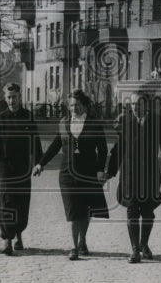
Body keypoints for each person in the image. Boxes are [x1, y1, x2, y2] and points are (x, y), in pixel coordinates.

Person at [33, 89, 109, 260]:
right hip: (67, 174)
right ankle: (74, 246)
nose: (74, 108)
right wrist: (41, 164)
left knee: (86, 210)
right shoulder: (63, 123)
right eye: (71, 105)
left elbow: (103, 149)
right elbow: (55, 145)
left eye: (77, 105)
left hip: (88, 173)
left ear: (85, 105)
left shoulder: (94, 123)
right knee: (73, 210)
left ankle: (82, 241)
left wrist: (99, 170)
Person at [105, 93, 161, 263]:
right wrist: (110, 172)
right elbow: (118, 148)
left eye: (139, 104)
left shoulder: (158, 122)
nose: (135, 108)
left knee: (148, 211)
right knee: (132, 211)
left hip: (150, 175)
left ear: (147, 105)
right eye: (133, 104)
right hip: (130, 175)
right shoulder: (125, 123)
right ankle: (135, 249)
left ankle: (144, 244)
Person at [0, 83, 43, 255]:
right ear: (5, 98)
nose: (12, 100)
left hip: (23, 166)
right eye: (9, 97)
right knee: (7, 202)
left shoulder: (28, 117)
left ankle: (18, 234)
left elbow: (35, 142)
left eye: (15, 97)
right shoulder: (1, 118)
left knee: (22, 202)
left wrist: (39, 163)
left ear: (20, 97)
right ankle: (7, 239)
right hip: (5, 166)